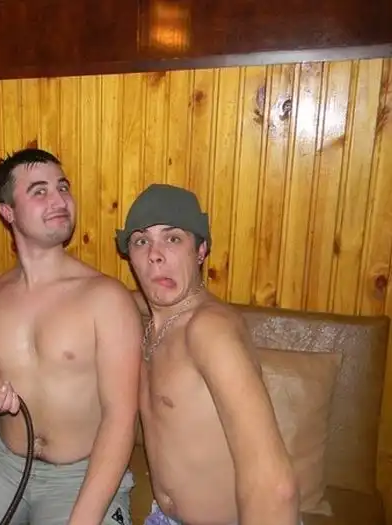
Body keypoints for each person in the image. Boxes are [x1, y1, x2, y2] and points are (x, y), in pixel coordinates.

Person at [0, 148, 144, 525]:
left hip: (80, 477)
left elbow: (120, 419)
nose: (59, 200)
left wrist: (83, 519)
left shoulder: (106, 299)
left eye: (62, 187)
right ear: (8, 212)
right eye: (39, 191)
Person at [115, 184, 300, 525]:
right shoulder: (156, 318)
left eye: (172, 239)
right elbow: (117, 297)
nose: (155, 255)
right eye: (141, 241)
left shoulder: (209, 330)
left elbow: (274, 486)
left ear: (200, 250)